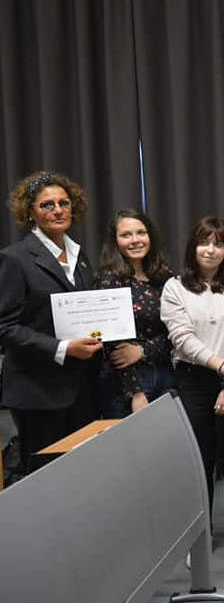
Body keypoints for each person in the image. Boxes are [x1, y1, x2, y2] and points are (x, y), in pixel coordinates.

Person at [160, 217, 224, 575]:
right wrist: (223, 370)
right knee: (198, 465)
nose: (211, 249)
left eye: (218, 243)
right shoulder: (175, 287)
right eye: (204, 242)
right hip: (193, 381)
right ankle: (199, 537)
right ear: (193, 247)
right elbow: (182, 338)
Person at [0, 171, 102, 474]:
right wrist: (62, 348)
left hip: (81, 388)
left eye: (64, 203)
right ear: (30, 212)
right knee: (47, 479)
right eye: (47, 205)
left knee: (81, 474)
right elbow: (5, 328)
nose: (57, 210)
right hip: (38, 392)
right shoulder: (14, 258)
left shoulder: (80, 257)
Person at [95, 208, 173, 417]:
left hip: (166, 373)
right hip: (129, 381)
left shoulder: (164, 277)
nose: (135, 240)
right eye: (126, 235)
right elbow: (113, 344)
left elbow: (176, 332)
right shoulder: (109, 280)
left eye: (141, 233)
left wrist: (142, 350)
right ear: (115, 241)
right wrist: (135, 393)